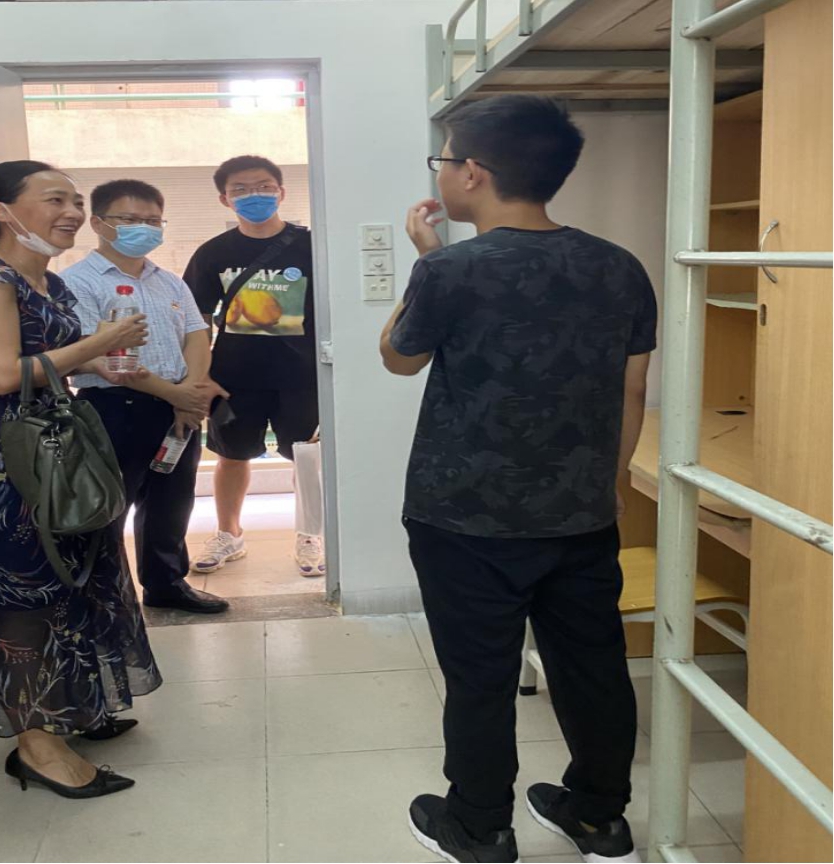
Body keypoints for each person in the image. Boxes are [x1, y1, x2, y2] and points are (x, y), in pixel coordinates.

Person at [380, 96, 656, 863]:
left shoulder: (450, 268)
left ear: (473, 172)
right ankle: (599, 819)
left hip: (462, 517)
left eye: (443, 161)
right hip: (583, 511)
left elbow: (398, 358)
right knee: (594, 666)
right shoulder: (619, 266)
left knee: (480, 674)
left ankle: (480, 826)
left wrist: (424, 258)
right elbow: (633, 389)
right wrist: (610, 483)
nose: (440, 174)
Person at [0, 160, 161, 798]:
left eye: (76, 200)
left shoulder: (49, 280)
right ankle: (35, 746)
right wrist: (96, 345)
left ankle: (71, 708)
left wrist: (100, 360)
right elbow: (2, 375)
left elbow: (47, 364)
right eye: (54, 199)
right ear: (2, 211)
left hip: (54, 446)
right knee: (22, 588)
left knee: (73, 574)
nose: (72, 212)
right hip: (1, 457)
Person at [62, 180, 230, 614]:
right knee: (107, 506)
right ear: (98, 223)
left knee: (171, 502)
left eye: (153, 221)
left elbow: (196, 336)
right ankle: (103, 597)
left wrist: (189, 393)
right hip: (114, 408)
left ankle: (166, 584)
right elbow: (96, 355)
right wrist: (180, 396)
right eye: (130, 219)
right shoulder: (76, 282)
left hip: (177, 409)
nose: (145, 228)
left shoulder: (169, 281)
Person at [184, 155, 325, 577]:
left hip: (302, 376)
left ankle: (310, 535)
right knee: (231, 456)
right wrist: (201, 375)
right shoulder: (213, 253)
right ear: (225, 200)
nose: (254, 196)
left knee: (307, 459)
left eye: (264, 187)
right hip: (233, 377)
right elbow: (194, 320)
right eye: (241, 190)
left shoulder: (312, 245)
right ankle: (229, 534)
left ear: (281, 192)